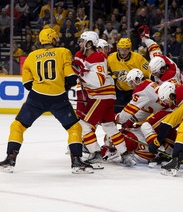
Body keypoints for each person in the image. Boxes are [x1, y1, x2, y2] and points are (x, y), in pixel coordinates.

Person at [0, 28, 93, 174]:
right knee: (74, 128)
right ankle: (76, 162)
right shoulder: (63, 52)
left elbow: (27, 84)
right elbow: (71, 78)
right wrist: (60, 86)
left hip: (37, 98)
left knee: (17, 126)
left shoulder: (31, 55)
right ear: (54, 39)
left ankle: (10, 159)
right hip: (59, 99)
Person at [73, 31, 136, 167]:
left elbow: (97, 82)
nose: (80, 43)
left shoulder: (98, 57)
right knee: (110, 127)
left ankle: (95, 154)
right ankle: (125, 155)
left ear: (90, 44)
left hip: (101, 97)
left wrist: (80, 73)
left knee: (84, 125)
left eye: (83, 41)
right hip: (103, 97)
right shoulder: (84, 55)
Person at [107, 37, 150, 113]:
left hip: (134, 91)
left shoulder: (138, 58)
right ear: (118, 48)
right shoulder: (111, 58)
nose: (123, 52)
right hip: (119, 91)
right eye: (121, 49)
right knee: (117, 112)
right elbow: (105, 72)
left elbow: (149, 73)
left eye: (126, 49)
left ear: (129, 49)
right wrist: (113, 75)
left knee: (133, 113)